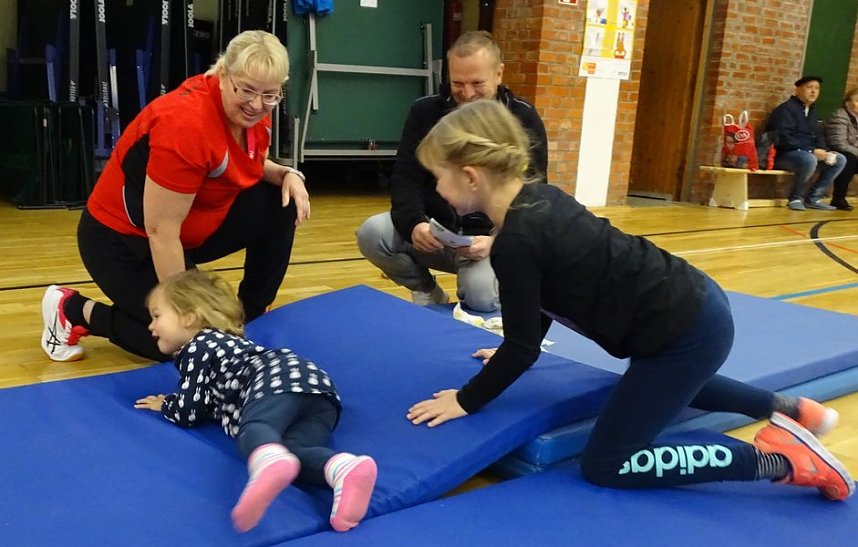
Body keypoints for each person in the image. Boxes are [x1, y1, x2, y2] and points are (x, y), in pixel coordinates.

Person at [406, 99, 854, 501]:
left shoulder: (516, 244)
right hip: (691, 310)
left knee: (608, 463)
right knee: (668, 381)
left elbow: (522, 348)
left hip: (684, 331)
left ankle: (784, 462)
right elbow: (541, 303)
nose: (437, 190)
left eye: (438, 178)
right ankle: (794, 411)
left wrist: (466, 400)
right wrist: (511, 349)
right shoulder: (538, 200)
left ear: (469, 176)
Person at [40, 30, 310, 364]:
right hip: (123, 240)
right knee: (176, 342)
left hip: (191, 227)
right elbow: (160, 231)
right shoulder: (187, 125)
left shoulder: (253, 107)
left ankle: (251, 315)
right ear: (223, 75)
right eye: (247, 91)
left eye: (270, 95)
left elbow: (244, 160)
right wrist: (183, 313)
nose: (257, 104)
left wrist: (287, 173)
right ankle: (73, 310)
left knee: (280, 201)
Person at [134, 269, 377, 533]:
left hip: (274, 381)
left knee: (258, 427)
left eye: (157, 316)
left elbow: (190, 410)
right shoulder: (229, 343)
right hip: (318, 392)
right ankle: (343, 469)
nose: (151, 326)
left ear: (190, 316)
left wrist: (168, 405)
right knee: (295, 450)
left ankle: (267, 461)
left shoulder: (196, 347)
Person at [355, 30, 548, 312]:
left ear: (499, 74)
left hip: (486, 242)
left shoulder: (524, 118)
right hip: (435, 233)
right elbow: (406, 177)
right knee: (372, 233)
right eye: (458, 83)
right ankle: (426, 291)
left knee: (482, 297)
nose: (467, 94)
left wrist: (498, 241)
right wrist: (415, 224)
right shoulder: (425, 112)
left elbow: (535, 195)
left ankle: (482, 286)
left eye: (477, 83)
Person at [766, 75, 846, 211]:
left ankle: (813, 198)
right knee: (809, 159)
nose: (813, 91)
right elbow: (783, 139)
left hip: (807, 152)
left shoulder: (812, 111)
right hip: (784, 155)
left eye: (817, 88)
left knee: (839, 159)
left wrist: (824, 151)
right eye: (809, 87)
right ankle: (795, 197)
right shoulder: (786, 110)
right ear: (797, 90)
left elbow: (818, 135)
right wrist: (811, 151)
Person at [824, 87, 858, 211]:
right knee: (849, 159)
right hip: (832, 152)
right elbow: (839, 144)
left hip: (851, 152)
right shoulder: (840, 116)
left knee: (852, 157)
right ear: (847, 102)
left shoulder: (855, 118)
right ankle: (838, 198)